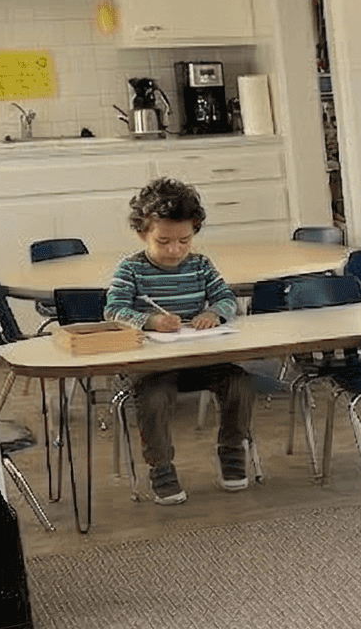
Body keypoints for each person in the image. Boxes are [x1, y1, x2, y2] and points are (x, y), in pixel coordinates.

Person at [104, 177, 254, 505]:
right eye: (164, 241)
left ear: (195, 231)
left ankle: (231, 450)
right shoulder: (131, 269)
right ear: (142, 232)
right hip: (153, 364)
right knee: (155, 400)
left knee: (240, 383)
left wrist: (215, 312)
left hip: (199, 357)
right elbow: (113, 310)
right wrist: (151, 320)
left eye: (184, 240)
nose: (175, 250)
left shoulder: (201, 265)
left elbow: (228, 299)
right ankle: (160, 467)